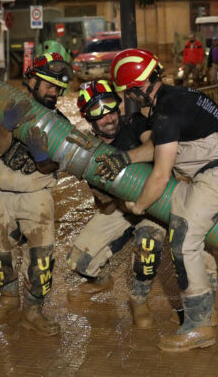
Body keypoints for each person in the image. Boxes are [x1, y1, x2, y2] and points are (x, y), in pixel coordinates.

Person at [95, 48, 218, 352]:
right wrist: (125, 158)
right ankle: (207, 310)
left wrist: (138, 207)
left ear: (137, 89)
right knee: (187, 231)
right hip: (215, 166)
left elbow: (160, 176)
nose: (131, 98)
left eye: (130, 92)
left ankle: (200, 327)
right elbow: (166, 149)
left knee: (183, 241)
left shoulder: (165, 111)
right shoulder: (174, 98)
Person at [66, 79, 167, 329]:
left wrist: (124, 159)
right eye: (98, 113)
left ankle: (139, 298)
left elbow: (156, 148)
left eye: (111, 108)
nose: (108, 118)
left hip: (152, 205)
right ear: (88, 118)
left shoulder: (134, 124)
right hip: (122, 210)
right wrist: (106, 199)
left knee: (147, 244)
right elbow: (107, 208)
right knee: (78, 260)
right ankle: (102, 279)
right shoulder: (92, 149)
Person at [0, 52, 71, 336]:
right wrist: (7, 126)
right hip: (1, 192)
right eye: (48, 85)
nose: (54, 92)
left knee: (42, 258)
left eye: (57, 88)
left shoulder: (59, 123)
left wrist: (41, 157)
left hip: (37, 193)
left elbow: (55, 164)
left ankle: (33, 311)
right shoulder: (9, 109)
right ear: (31, 80)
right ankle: (9, 300)